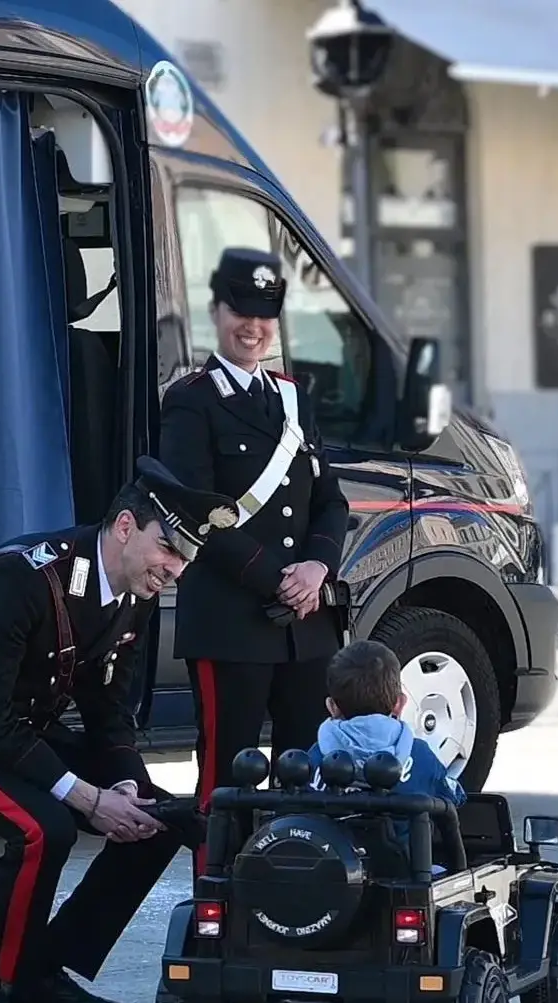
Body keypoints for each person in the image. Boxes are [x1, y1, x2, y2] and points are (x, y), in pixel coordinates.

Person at [0, 456, 239, 1003]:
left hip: (17, 733)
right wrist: (85, 797)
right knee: (43, 828)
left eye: (186, 559)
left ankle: (41, 970)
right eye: (169, 548)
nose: (175, 570)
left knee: (159, 817)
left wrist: (125, 785)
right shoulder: (23, 579)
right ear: (125, 526)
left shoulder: (133, 594)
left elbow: (108, 708)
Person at [157, 246, 351, 872]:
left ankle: (300, 898)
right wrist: (281, 577)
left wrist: (317, 568)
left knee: (310, 778)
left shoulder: (294, 398)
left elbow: (330, 501)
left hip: (306, 627)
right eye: (241, 309)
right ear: (216, 311)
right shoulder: (191, 401)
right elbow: (197, 511)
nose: (253, 326)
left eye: (266, 313)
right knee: (225, 780)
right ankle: (217, 907)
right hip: (232, 621)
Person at [306, 639, 466, 807]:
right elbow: (454, 798)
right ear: (400, 704)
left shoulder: (316, 757)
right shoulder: (421, 756)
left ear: (332, 707)